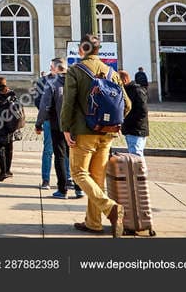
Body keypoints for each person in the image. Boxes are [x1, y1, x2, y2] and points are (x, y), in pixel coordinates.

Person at [61, 34, 132, 237]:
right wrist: (114, 124)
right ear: (99, 50)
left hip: (84, 133)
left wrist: (66, 128)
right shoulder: (112, 72)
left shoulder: (76, 70)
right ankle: (93, 223)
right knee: (97, 179)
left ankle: (110, 207)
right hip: (107, 134)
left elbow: (68, 103)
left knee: (78, 173)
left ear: (82, 49)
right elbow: (127, 104)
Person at [36, 58, 83, 199]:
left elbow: (45, 106)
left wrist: (39, 124)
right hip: (75, 126)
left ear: (56, 68)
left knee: (60, 156)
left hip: (58, 125)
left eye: (51, 67)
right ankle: (79, 188)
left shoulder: (52, 83)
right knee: (75, 157)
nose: (50, 70)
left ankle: (62, 190)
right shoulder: (76, 81)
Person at [120, 69, 149, 156]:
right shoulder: (127, 90)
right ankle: (139, 170)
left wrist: (127, 119)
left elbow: (143, 111)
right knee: (135, 154)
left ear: (124, 80)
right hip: (131, 128)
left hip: (136, 129)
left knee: (136, 155)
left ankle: (140, 170)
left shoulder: (136, 91)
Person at [32, 70, 53, 189]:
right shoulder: (69, 79)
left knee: (49, 151)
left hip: (49, 119)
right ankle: (67, 179)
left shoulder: (44, 81)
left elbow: (38, 102)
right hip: (59, 121)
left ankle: (46, 180)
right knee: (63, 151)